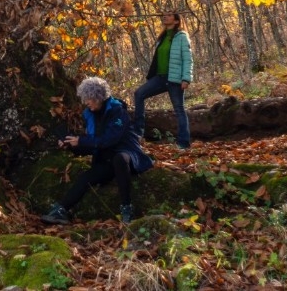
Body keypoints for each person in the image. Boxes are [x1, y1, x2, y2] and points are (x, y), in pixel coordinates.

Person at [40, 76, 152, 225]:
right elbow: (93, 143)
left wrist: (81, 140)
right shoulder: (90, 115)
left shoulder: (118, 111)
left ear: (98, 97)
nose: (86, 102)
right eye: (85, 99)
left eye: (89, 99)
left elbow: (110, 140)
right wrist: (73, 145)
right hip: (105, 159)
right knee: (86, 177)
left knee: (120, 159)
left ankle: (127, 208)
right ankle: (61, 210)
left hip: (127, 154)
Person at [133, 12, 194, 150]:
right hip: (160, 78)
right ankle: (138, 134)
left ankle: (183, 143)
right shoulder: (162, 37)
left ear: (177, 21)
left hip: (175, 79)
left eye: (169, 15)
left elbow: (188, 59)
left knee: (179, 109)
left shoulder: (182, 37)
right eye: (164, 15)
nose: (165, 17)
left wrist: (186, 78)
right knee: (139, 94)